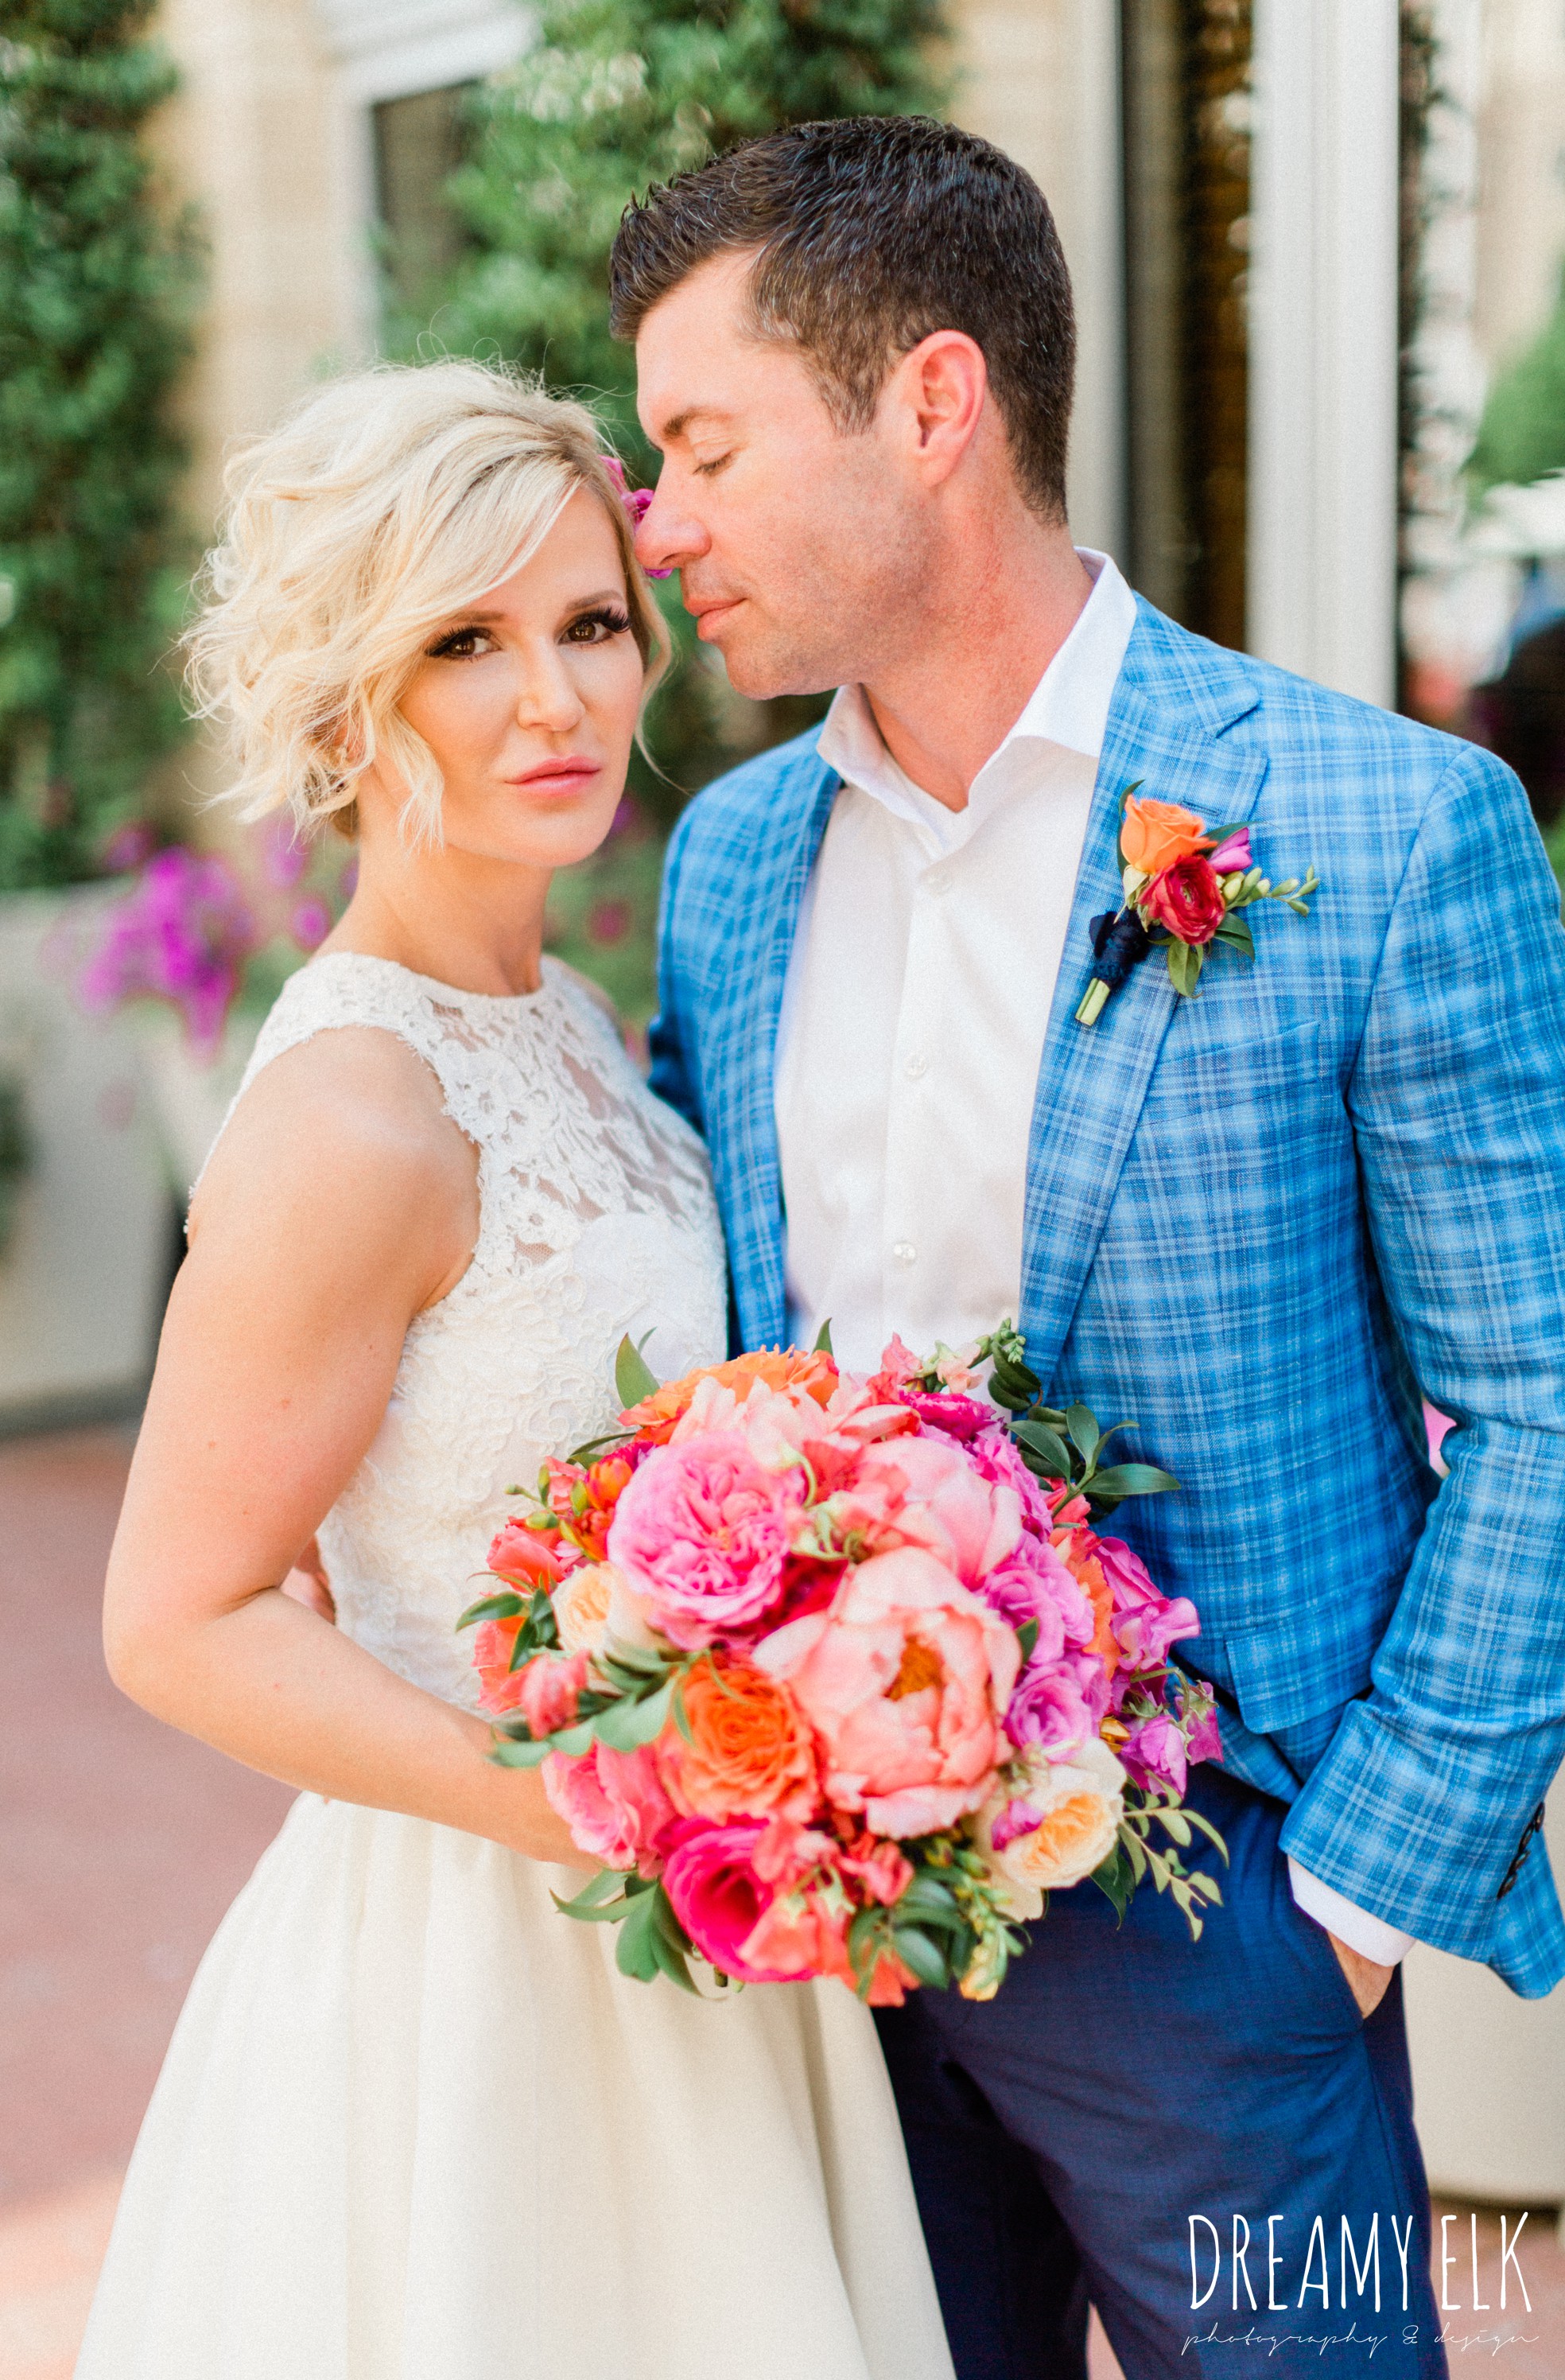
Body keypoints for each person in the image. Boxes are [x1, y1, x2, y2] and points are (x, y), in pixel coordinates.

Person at [616, 115, 1565, 2379]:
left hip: (1220, 1936)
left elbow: (1541, 1404)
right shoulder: (730, 863)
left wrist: (1339, 1908)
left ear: (931, 404)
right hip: (821, 1951)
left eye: (704, 446)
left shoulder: (1386, 822)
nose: (661, 532)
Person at [78, 362, 953, 2380]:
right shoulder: (355, 1105)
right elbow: (176, 1616)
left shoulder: (568, 1009)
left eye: (583, 623)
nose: (551, 699)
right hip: (481, 1967)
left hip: (700, 1932)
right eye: (463, 642)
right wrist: (602, 1797)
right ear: (344, 694)